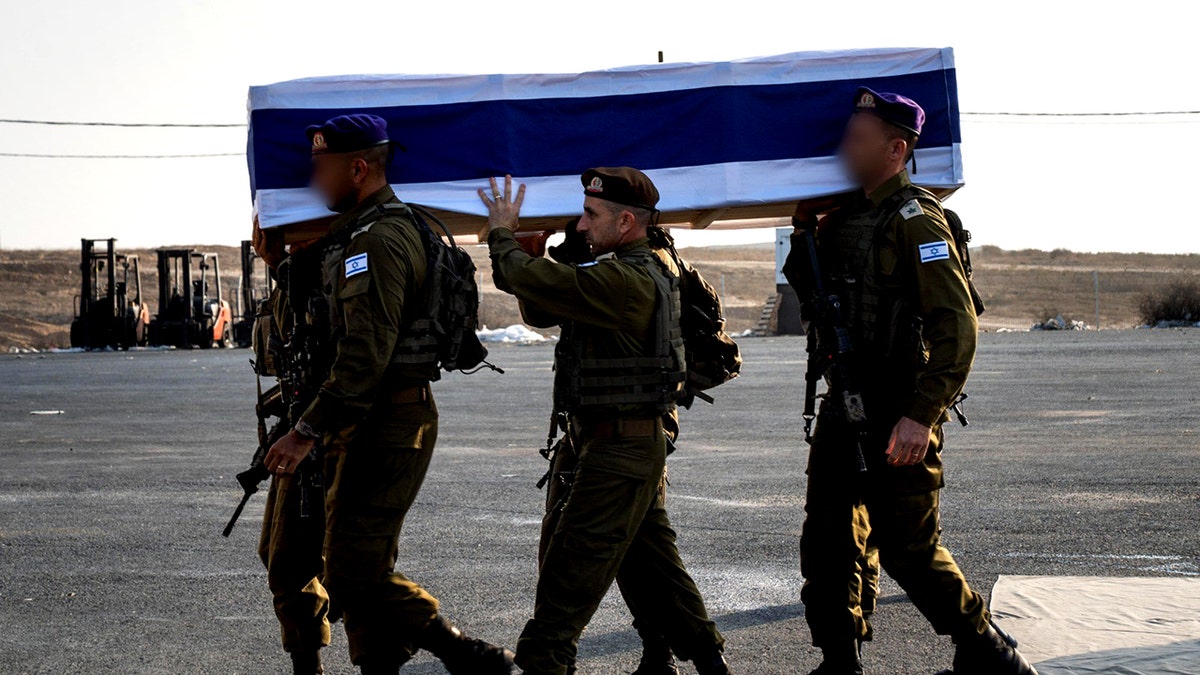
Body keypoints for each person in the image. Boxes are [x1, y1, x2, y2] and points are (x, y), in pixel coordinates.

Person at [783, 88, 1038, 675]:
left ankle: (988, 652)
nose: (845, 146)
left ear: (896, 150)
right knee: (828, 540)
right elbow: (810, 287)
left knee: (907, 548)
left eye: (859, 138)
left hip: (900, 403)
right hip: (844, 401)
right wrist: (802, 230)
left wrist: (923, 413)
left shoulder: (915, 220)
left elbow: (957, 326)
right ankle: (840, 657)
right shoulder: (844, 216)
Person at [264, 113, 515, 675]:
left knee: (356, 568)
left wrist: (304, 432)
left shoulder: (377, 240)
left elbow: (364, 356)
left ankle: (465, 654)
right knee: (291, 556)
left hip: (382, 419)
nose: (313, 180)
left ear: (358, 168)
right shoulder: (350, 234)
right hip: (340, 414)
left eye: (321, 168)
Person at [479, 169, 731, 675]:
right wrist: (548, 249)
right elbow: (543, 309)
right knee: (652, 567)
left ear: (626, 220)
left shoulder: (627, 278)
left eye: (591, 216)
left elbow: (527, 280)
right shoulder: (622, 264)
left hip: (621, 451)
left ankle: (546, 661)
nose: (581, 223)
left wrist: (502, 233)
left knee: (567, 579)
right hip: (606, 445)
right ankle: (709, 660)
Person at [250, 218, 333, 675]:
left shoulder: (328, 273)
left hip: (327, 437)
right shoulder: (291, 277)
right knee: (278, 555)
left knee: (307, 564)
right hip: (301, 432)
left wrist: (304, 432)